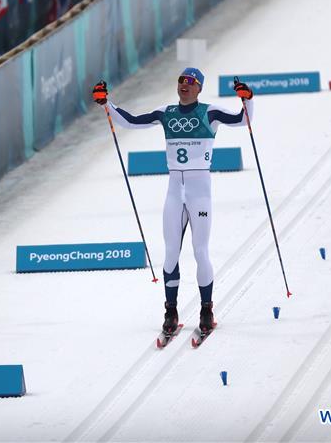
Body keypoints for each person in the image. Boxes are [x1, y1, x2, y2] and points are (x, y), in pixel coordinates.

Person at [92, 68, 254, 336]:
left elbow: (242, 121)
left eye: (191, 83)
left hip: (199, 190)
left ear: (200, 88)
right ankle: (170, 311)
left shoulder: (210, 112)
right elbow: (131, 121)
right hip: (174, 191)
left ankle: (206, 309)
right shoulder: (165, 112)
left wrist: (248, 98)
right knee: (170, 252)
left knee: (200, 250)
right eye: (181, 81)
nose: (184, 86)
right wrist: (106, 102)